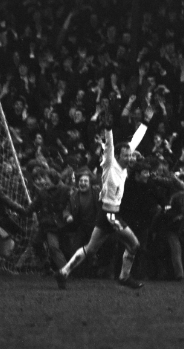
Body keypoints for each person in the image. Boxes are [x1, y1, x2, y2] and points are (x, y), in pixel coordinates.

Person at [53, 105, 155, 289]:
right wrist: (108, 128)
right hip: (111, 215)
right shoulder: (110, 164)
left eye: (130, 154)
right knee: (134, 245)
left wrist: (145, 123)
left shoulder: (124, 164)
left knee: (91, 249)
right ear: (117, 156)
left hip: (106, 214)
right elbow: (109, 146)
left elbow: (136, 140)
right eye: (126, 155)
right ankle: (124, 277)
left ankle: (63, 272)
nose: (130, 157)